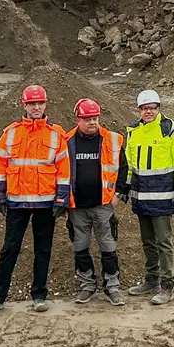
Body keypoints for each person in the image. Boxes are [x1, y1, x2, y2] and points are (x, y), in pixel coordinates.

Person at [0, 84, 70, 317]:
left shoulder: (56, 134)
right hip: (17, 203)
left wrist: (62, 199)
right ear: (24, 105)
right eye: (32, 103)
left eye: (40, 103)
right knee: (10, 249)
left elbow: (64, 168)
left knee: (43, 250)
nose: (36, 107)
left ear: (45, 104)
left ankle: (40, 295)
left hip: (45, 203)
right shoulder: (10, 133)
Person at [119, 89, 174, 305]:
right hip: (141, 197)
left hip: (162, 197)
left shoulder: (170, 131)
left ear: (158, 108)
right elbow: (130, 164)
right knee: (148, 242)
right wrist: (125, 186)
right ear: (139, 110)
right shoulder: (133, 132)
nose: (148, 112)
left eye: (152, 108)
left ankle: (167, 285)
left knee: (163, 242)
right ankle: (151, 280)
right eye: (144, 108)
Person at [64, 98, 128, 307]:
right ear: (78, 119)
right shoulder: (67, 141)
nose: (92, 122)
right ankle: (87, 285)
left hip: (103, 205)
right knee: (80, 248)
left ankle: (112, 286)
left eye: (95, 118)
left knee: (108, 247)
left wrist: (119, 194)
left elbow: (124, 169)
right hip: (77, 207)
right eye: (87, 118)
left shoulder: (112, 140)